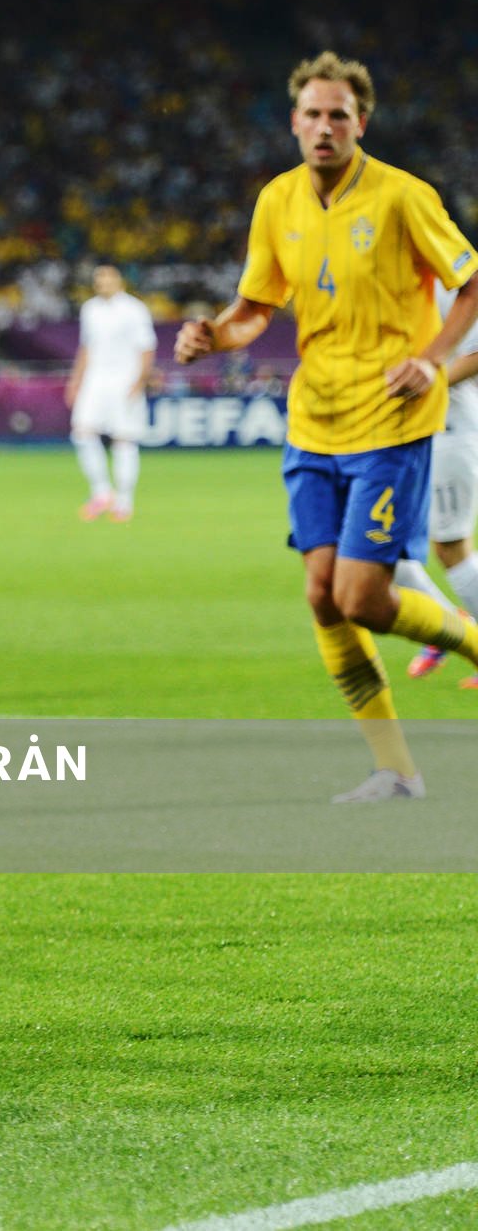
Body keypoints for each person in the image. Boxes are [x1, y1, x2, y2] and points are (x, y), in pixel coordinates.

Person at [174, 51, 478, 802]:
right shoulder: (277, 201)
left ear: (360, 123)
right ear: (293, 122)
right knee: (321, 594)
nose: (324, 126)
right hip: (314, 423)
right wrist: (214, 332)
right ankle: (396, 769)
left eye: (339, 114)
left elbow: (470, 285)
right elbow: (254, 310)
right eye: (312, 113)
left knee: (364, 599)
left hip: (390, 423)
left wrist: (434, 360)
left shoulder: (404, 198)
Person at [400, 281, 478, 684]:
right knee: (369, 546)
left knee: (452, 549)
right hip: (397, 437)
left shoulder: (448, 282)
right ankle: (445, 625)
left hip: (449, 432)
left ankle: (451, 629)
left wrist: (429, 378)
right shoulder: (376, 276)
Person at [65, 265, 155, 521]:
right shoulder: (90, 309)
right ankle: (102, 492)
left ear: (119, 281)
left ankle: (125, 501)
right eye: (99, 279)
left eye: (108, 278)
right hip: (95, 380)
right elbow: (86, 347)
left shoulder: (134, 309)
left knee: (124, 439)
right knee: (82, 432)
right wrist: (76, 381)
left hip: (124, 379)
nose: (103, 283)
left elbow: (147, 348)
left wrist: (140, 381)